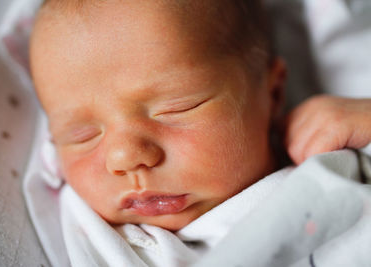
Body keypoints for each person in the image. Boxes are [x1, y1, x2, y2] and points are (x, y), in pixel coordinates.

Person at [28, 0, 371, 266]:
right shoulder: (94, 228)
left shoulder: (333, 153)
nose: (124, 156)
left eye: (177, 108)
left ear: (273, 92)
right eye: (82, 135)